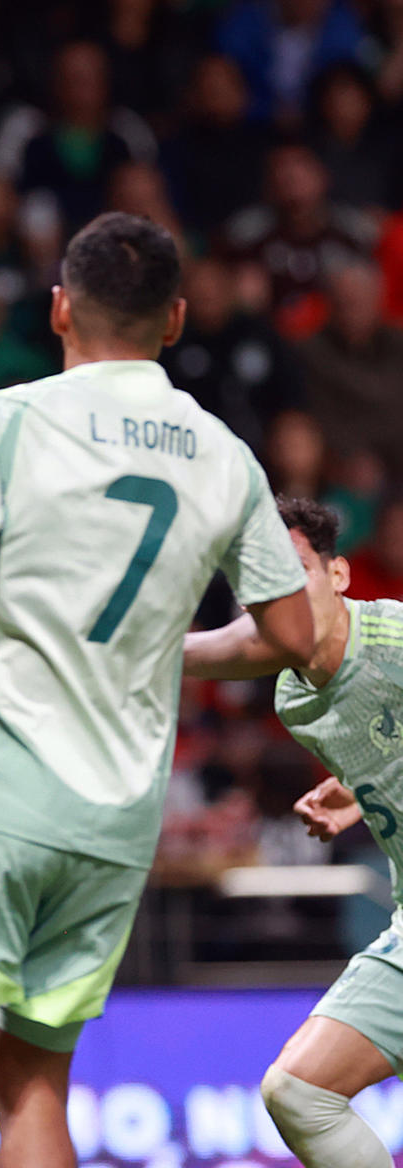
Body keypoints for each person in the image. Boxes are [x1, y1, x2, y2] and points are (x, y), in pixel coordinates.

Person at [0, 213, 314, 1168]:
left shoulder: (1, 421)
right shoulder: (222, 452)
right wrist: (155, 648)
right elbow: (294, 634)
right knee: (30, 1088)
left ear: (60, 307)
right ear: (176, 320)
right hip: (117, 824)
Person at [184, 497, 403, 1168]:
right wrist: (356, 794)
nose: (282, 595)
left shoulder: (394, 642)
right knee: (298, 1091)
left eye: (297, 571)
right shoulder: (295, 697)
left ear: (338, 575)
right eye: (262, 585)